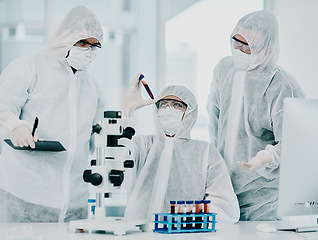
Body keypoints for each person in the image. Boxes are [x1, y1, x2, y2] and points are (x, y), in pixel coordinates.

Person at [0, 6, 107, 222]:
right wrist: (15, 127)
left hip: (75, 205)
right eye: (82, 42)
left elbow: (103, 136)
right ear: (65, 36)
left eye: (94, 46)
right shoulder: (30, 67)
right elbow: (3, 105)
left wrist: (127, 113)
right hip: (25, 196)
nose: (88, 50)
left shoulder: (92, 87)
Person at [207, 10, 305, 221]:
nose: (240, 50)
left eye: (248, 47)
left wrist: (268, 157)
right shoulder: (224, 70)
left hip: (264, 200)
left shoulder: (283, 87)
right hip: (222, 193)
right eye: (237, 42)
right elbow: (214, 117)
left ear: (268, 48)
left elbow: (297, 145)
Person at [122, 75, 240, 224]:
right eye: (163, 104)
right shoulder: (142, 145)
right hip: (138, 232)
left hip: (184, 234)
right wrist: (126, 114)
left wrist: (182, 217)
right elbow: (113, 161)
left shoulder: (205, 153)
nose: (168, 109)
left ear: (190, 113)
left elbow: (225, 207)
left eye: (177, 104)